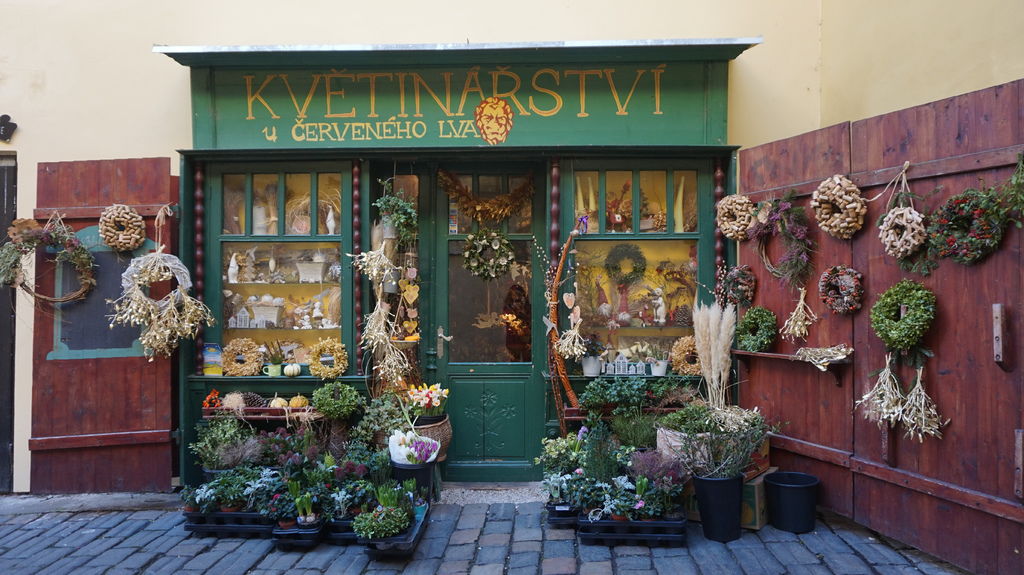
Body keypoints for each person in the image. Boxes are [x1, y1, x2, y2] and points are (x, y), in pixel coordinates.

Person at [502, 283, 531, 361]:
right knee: (515, 360)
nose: (517, 297)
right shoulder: (508, 309)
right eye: (514, 295)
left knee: (527, 360)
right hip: (513, 341)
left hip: (526, 340)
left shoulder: (527, 308)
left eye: (519, 295)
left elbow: (529, 321)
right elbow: (508, 321)